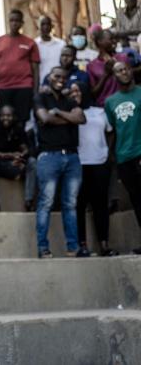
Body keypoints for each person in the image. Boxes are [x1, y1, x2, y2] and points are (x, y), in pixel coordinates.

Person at [33, 66, 86, 258]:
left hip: (72, 157)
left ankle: (73, 247)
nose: (61, 80)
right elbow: (45, 118)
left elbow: (81, 118)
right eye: (57, 76)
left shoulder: (70, 100)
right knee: (46, 203)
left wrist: (58, 113)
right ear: (48, 77)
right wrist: (67, 118)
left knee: (70, 204)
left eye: (64, 77)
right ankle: (42, 248)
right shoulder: (40, 98)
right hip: (49, 157)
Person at [69, 81, 117, 257]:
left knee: (101, 205)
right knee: (79, 205)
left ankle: (104, 245)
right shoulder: (70, 113)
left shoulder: (100, 112)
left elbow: (111, 131)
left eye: (77, 90)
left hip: (100, 162)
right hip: (78, 164)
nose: (74, 93)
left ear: (85, 90)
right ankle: (82, 245)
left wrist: (108, 152)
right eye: (72, 91)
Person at [105, 61, 141, 254]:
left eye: (126, 69)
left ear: (131, 71)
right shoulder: (110, 102)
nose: (123, 72)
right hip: (124, 156)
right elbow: (114, 129)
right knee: (136, 199)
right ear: (114, 76)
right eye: (118, 71)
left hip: (140, 152)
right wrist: (111, 155)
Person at [0, 8, 40, 125]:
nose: (14, 23)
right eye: (11, 20)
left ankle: (22, 144)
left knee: (22, 122)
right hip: (2, 89)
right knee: (3, 123)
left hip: (24, 88)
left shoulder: (30, 43)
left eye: (17, 20)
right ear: (8, 22)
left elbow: (36, 70)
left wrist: (35, 92)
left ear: (22, 23)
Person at [0, 105, 36, 212]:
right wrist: (8, 155)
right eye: (2, 115)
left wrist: (20, 157)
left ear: (13, 117)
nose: (5, 118)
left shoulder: (18, 129)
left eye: (8, 115)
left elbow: (25, 148)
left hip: (15, 164)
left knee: (32, 162)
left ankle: (29, 201)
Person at [87, 29, 130, 107]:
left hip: (124, 104)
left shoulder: (123, 58)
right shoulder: (92, 65)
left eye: (115, 39)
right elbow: (93, 93)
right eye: (111, 39)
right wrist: (105, 74)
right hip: (103, 106)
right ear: (100, 41)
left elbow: (130, 81)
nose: (115, 41)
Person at [35, 16, 66, 85]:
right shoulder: (34, 45)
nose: (46, 27)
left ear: (52, 26)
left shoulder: (61, 44)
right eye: (43, 24)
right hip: (41, 84)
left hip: (59, 83)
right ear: (38, 27)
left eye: (48, 24)